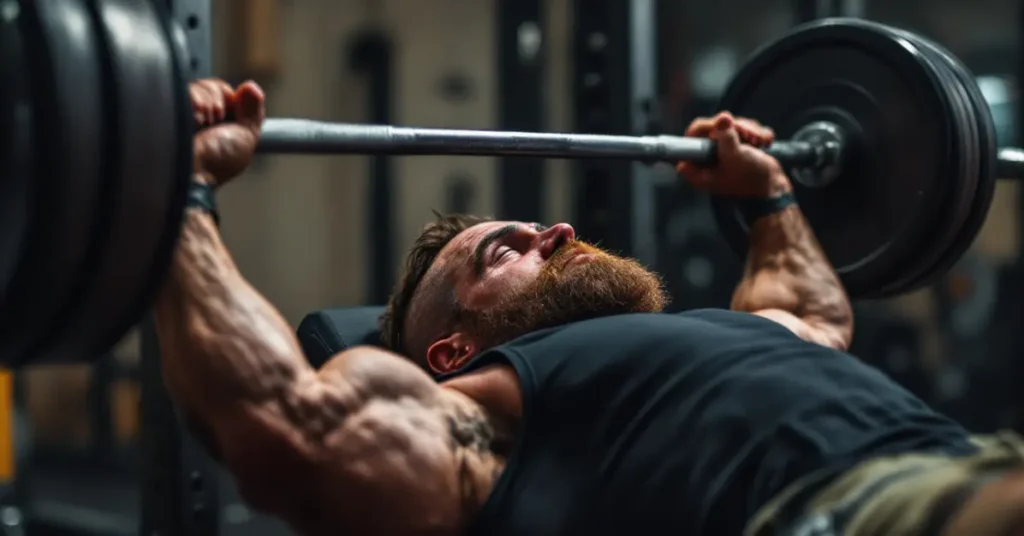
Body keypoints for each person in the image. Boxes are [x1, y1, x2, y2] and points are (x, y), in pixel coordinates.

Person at [156, 78, 1024, 536]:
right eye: (505, 249)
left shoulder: (707, 336)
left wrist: (768, 195)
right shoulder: (489, 421)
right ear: (450, 352)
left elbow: (816, 319)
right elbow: (290, 432)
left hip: (970, 462)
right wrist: (174, 195)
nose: (556, 228)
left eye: (538, 226)